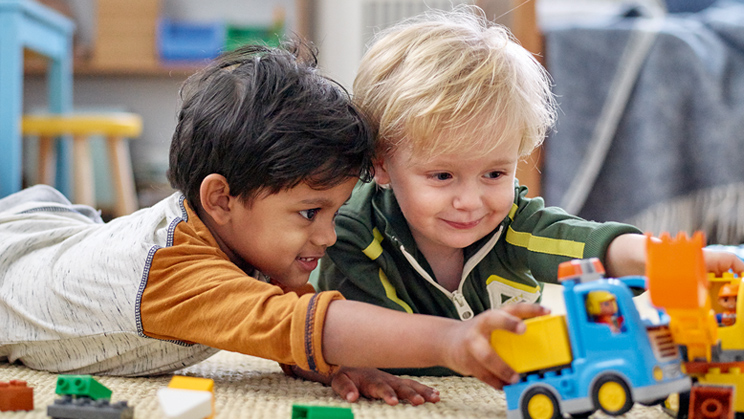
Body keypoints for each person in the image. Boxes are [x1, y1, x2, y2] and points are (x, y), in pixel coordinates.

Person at [0, 38, 549, 406]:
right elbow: (305, 321)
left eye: (334, 211)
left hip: (69, 236)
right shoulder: (175, 274)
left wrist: (330, 363)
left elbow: (289, 326)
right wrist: (453, 341)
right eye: (310, 213)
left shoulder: (246, 233)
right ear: (221, 199)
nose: (330, 236)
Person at [316, 6, 744, 375]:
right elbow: (366, 342)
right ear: (382, 165)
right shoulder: (352, 234)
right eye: (442, 177)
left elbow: (583, 242)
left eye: (495, 174)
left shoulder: (512, 222)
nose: (471, 202)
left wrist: (674, 262)